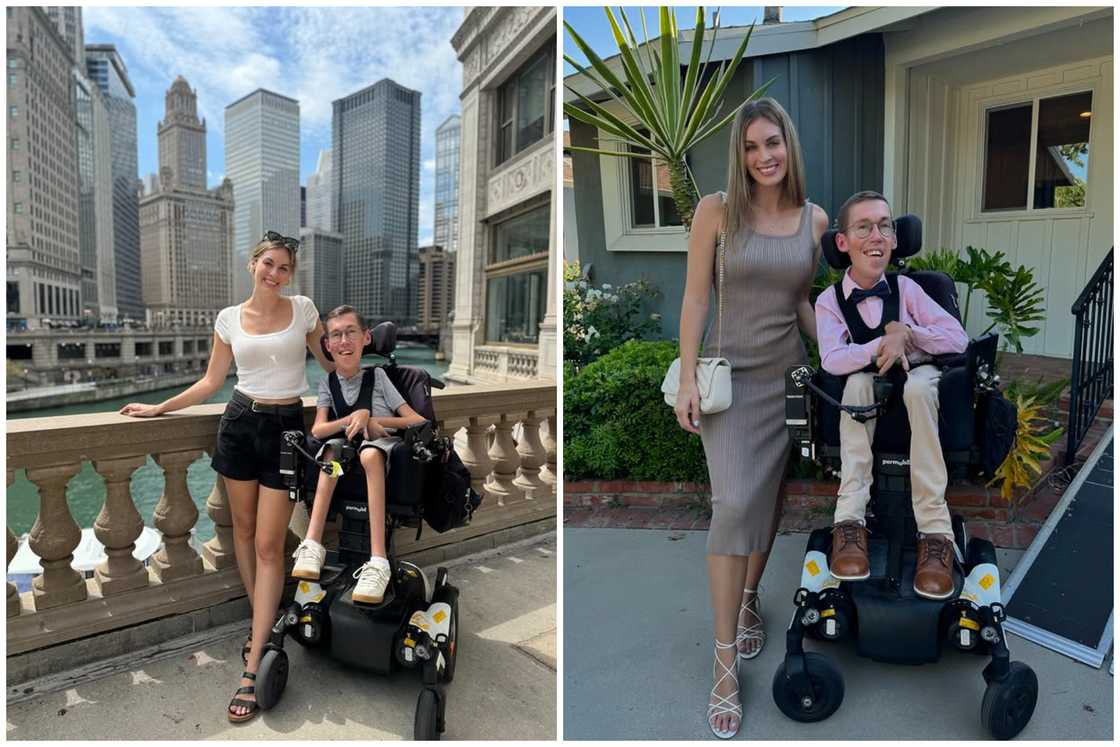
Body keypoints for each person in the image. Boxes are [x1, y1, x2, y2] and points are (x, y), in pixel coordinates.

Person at [120, 231, 333, 723]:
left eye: (284, 268)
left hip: (285, 430)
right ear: (252, 265)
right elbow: (212, 382)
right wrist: (159, 407)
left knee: (267, 544)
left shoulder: (303, 309)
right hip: (239, 423)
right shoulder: (227, 319)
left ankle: (254, 659)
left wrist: (357, 357)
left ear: (290, 275)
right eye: (268, 265)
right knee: (240, 531)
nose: (275, 274)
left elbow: (328, 360)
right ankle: (263, 626)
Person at [673, 97, 828, 739]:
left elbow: (801, 301)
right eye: (752, 146)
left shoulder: (814, 220)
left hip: (787, 378)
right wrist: (686, 374)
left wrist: (841, 359)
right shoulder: (716, 211)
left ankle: (746, 601)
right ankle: (724, 662)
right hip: (730, 384)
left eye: (774, 143)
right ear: (740, 155)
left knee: (767, 504)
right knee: (734, 502)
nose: (765, 156)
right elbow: (696, 297)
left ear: (789, 146)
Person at [814, 190, 968, 600]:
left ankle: (935, 531)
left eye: (885, 225)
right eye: (863, 227)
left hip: (917, 388)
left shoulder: (910, 289)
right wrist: (884, 342)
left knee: (919, 385)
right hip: (869, 392)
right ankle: (850, 522)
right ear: (843, 242)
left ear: (896, 239)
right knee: (856, 383)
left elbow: (958, 336)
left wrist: (910, 334)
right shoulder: (829, 301)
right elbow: (831, 358)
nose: (876, 235)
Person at [289, 305, 427, 604]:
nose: (343, 341)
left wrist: (377, 421)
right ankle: (312, 544)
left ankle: (377, 561)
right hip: (346, 450)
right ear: (327, 345)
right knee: (331, 453)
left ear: (365, 338)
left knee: (369, 455)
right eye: (336, 335)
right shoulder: (328, 383)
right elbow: (319, 430)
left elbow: (416, 420)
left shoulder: (378, 378)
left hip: (381, 447)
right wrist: (354, 417)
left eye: (350, 332)